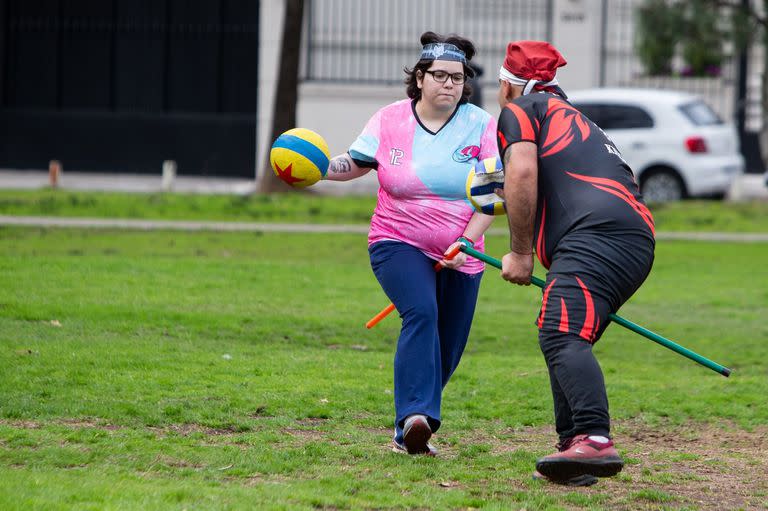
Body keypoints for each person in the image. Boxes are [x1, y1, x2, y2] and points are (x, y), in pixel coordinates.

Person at [323, 31, 499, 455]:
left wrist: (466, 242)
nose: (450, 84)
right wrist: (320, 168)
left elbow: (493, 197)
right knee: (420, 312)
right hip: (396, 240)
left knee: (447, 345)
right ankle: (416, 418)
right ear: (420, 77)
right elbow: (357, 163)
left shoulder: (482, 124)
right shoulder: (389, 119)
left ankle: (408, 432)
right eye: (440, 75)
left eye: (458, 78)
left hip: (464, 250)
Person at [494, 41, 655, 484]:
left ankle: (593, 438)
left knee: (561, 332)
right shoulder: (578, 118)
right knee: (561, 332)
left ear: (509, 85)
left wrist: (521, 253)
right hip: (631, 237)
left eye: (499, 84)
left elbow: (523, 172)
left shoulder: (521, 110)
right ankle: (572, 451)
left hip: (597, 236)